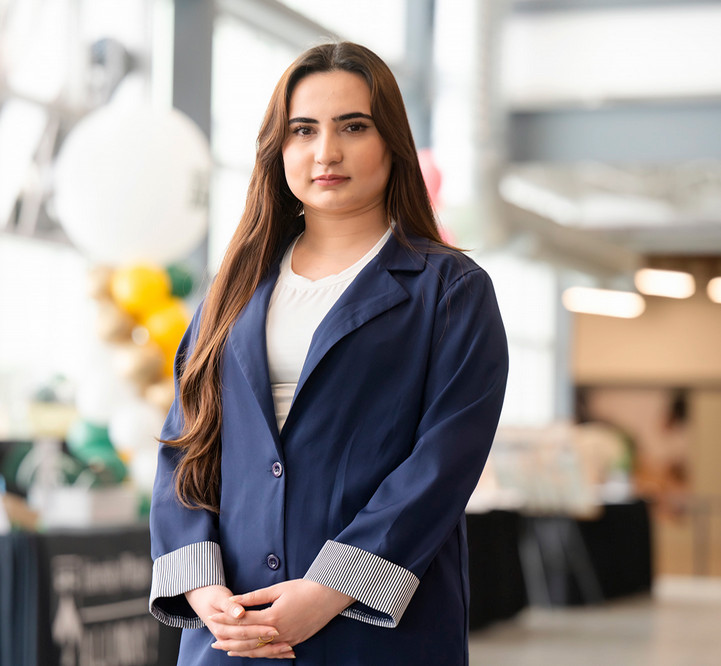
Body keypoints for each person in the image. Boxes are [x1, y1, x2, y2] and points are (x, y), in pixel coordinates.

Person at [148, 42, 508, 665]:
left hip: (374, 634)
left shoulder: (450, 291)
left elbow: (442, 464)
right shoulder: (233, 289)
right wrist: (204, 587)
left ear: (392, 142)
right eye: (303, 130)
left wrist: (331, 588)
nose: (326, 152)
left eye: (353, 127)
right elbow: (188, 441)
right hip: (231, 632)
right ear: (277, 149)